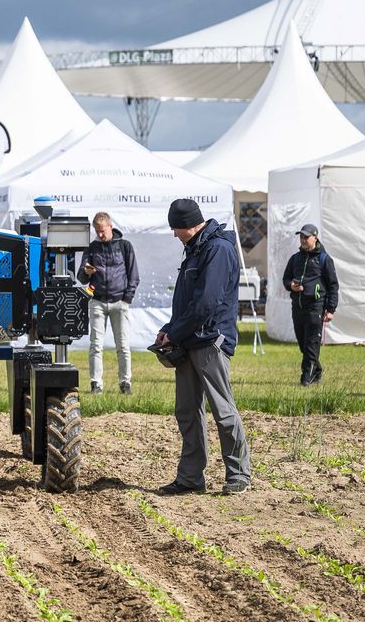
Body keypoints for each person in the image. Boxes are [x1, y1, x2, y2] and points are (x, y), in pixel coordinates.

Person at [154, 198, 251, 496]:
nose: (174, 234)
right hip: (188, 340)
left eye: (176, 228)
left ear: (189, 224)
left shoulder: (217, 249)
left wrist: (175, 333)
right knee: (187, 411)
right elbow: (189, 302)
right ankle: (190, 477)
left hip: (210, 341)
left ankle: (238, 474)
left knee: (223, 410)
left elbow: (207, 303)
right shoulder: (195, 248)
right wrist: (169, 329)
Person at [77, 212, 139, 394]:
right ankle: (96, 383)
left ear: (110, 227)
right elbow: (81, 277)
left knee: (123, 345)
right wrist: (86, 272)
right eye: (97, 231)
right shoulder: (91, 248)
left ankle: (125, 383)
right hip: (97, 301)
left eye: (103, 230)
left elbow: (134, 275)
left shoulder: (125, 246)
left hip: (120, 302)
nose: (100, 234)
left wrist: (127, 299)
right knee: (96, 345)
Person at [282, 223, 338, 386]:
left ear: (315, 238)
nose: (303, 240)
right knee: (303, 344)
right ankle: (317, 370)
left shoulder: (324, 259)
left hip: (316, 307)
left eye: (306, 237)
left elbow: (333, 285)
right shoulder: (295, 258)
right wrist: (291, 285)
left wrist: (330, 309)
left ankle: (306, 378)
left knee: (311, 344)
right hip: (297, 307)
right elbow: (286, 279)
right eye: (301, 237)